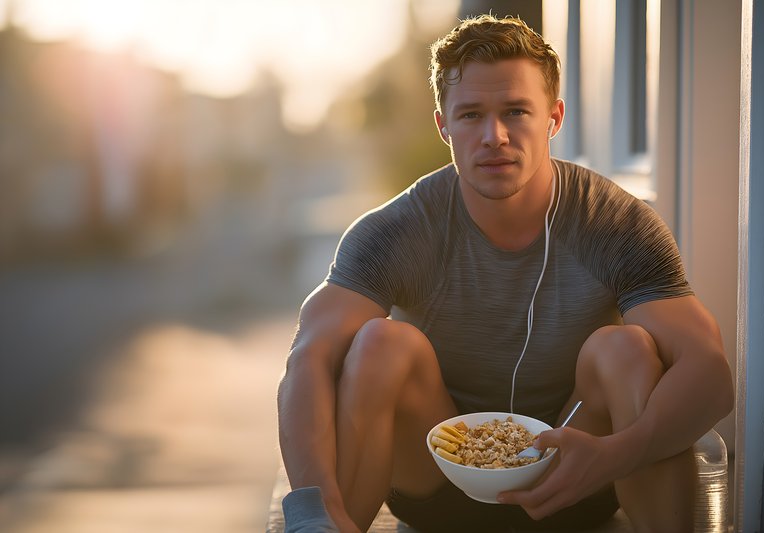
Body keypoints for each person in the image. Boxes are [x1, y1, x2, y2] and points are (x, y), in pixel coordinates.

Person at [277, 14, 734, 533]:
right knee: (381, 343)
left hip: (578, 479)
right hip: (435, 484)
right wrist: (308, 511)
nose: (494, 136)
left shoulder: (614, 222)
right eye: (471, 114)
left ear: (554, 117)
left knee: (624, 349)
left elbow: (711, 373)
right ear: (443, 123)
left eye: (516, 111)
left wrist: (616, 455)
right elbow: (308, 356)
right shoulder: (399, 229)